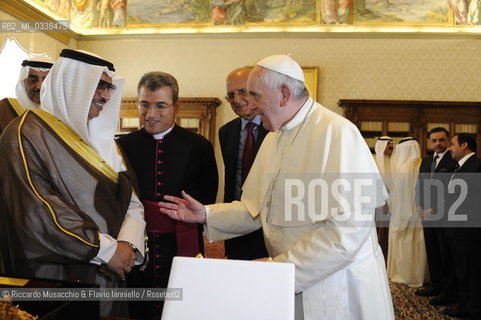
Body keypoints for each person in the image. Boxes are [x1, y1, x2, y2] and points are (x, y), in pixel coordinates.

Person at [158, 54, 394, 319]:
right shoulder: (274, 137)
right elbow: (256, 209)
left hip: (336, 283)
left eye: (255, 95)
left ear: (283, 93)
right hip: (288, 277)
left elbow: (346, 235)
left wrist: (279, 268)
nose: (249, 105)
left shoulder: (338, 133)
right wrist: (206, 214)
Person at [0, 49, 146, 317]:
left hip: (112, 274)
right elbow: (38, 211)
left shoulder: (104, 140)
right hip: (57, 278)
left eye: (109, 87)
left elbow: (132, 199)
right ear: (72, 83)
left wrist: (129, 246)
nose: (106, 95)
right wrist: (108, 250)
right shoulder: (26, 134)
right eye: (99, 85)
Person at [117, 71, 218, 319]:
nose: (151, 114)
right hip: (136, 243)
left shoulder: (199, 146)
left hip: (181, 242)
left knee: (181, 305)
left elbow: (208, 196)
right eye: (144, 105)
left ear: (176, 106)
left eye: (160, 106)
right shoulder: (123, 146)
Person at [219, 67, 268, 260]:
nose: (236, 100)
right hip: (236, 227)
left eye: (242, 91)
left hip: (268, 227)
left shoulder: (275, 128)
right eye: (230, 95)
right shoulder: (226, 132)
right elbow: (231, 183)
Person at [415, 127, 457, 306]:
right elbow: (420, 185)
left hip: (444, 215)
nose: (438, 144)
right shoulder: (425, 161)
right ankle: (436, 284)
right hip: (426, 215)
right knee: (432, 251)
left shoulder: (453, 160)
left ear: (447, 141)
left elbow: (452, 193)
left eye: (441, 140)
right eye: (434, 140)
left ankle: (447, 291)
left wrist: (435, 209)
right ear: (429, 142)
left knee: (445, 253)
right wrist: (419, 206)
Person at [442, 133, 481, 319]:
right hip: (455, 229)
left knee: (470, 271)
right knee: (460, 270)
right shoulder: (457, 166)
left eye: (452, 144)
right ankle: (464, 305)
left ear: (464, 145)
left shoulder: (476, 166)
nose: (450, 148)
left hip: (468, 231)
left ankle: (473, 309)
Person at [387, 137, 427, 287]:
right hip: (420, 214)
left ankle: (405, 275)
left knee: (405, 244)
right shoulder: (423, 164)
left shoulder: (404, 169)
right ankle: (420, 275)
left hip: (404, 215)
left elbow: (399, 196)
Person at [0, 56, 54, 134]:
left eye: (46, 81)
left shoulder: (60, 116)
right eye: (33, 80)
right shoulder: (6, 108)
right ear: (24, 83)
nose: (39, 86)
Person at [373, 136, 393, 259]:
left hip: (393, 201)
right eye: (388, 146)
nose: (391, 149)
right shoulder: (373, 161)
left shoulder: (394, 160)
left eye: (392, 146)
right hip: (378, 203)